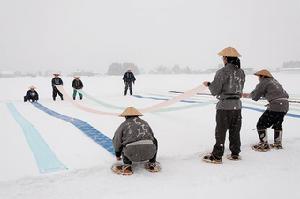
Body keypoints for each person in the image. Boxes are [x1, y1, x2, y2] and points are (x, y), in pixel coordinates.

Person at [202, 47, 245, 164]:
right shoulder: (241, 72)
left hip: (225, 107)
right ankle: (235, 153)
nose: (222, 59)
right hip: (237, 106)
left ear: (226, 58)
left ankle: (217, 156)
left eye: (223, 57)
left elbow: (215, 90)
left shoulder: (222, 72)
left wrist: (209, 84)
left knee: (221, 131)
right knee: (235, 130)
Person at [242, 69, 289, 151]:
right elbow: (285, 95)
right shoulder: (275, 81)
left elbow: (255, 95)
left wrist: (245, 95)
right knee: (278, 123)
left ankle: (263, 144)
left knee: (261, 124)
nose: (259, 78)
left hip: (276, 105)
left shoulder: (264, 82)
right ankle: (278, 144)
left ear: (263, 76)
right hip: (285, 105)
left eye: (259, 76)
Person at [112, 107, 158, 175]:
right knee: (155, 140)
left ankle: (127, 166)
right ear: (137, 115)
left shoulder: (123, 125)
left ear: (126, 116)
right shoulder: (145, 123)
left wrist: (117, 155)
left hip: (131, 153)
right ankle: (152, 163)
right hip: (149, 153)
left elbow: (117, 141)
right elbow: (152, 137)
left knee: (123, 143)